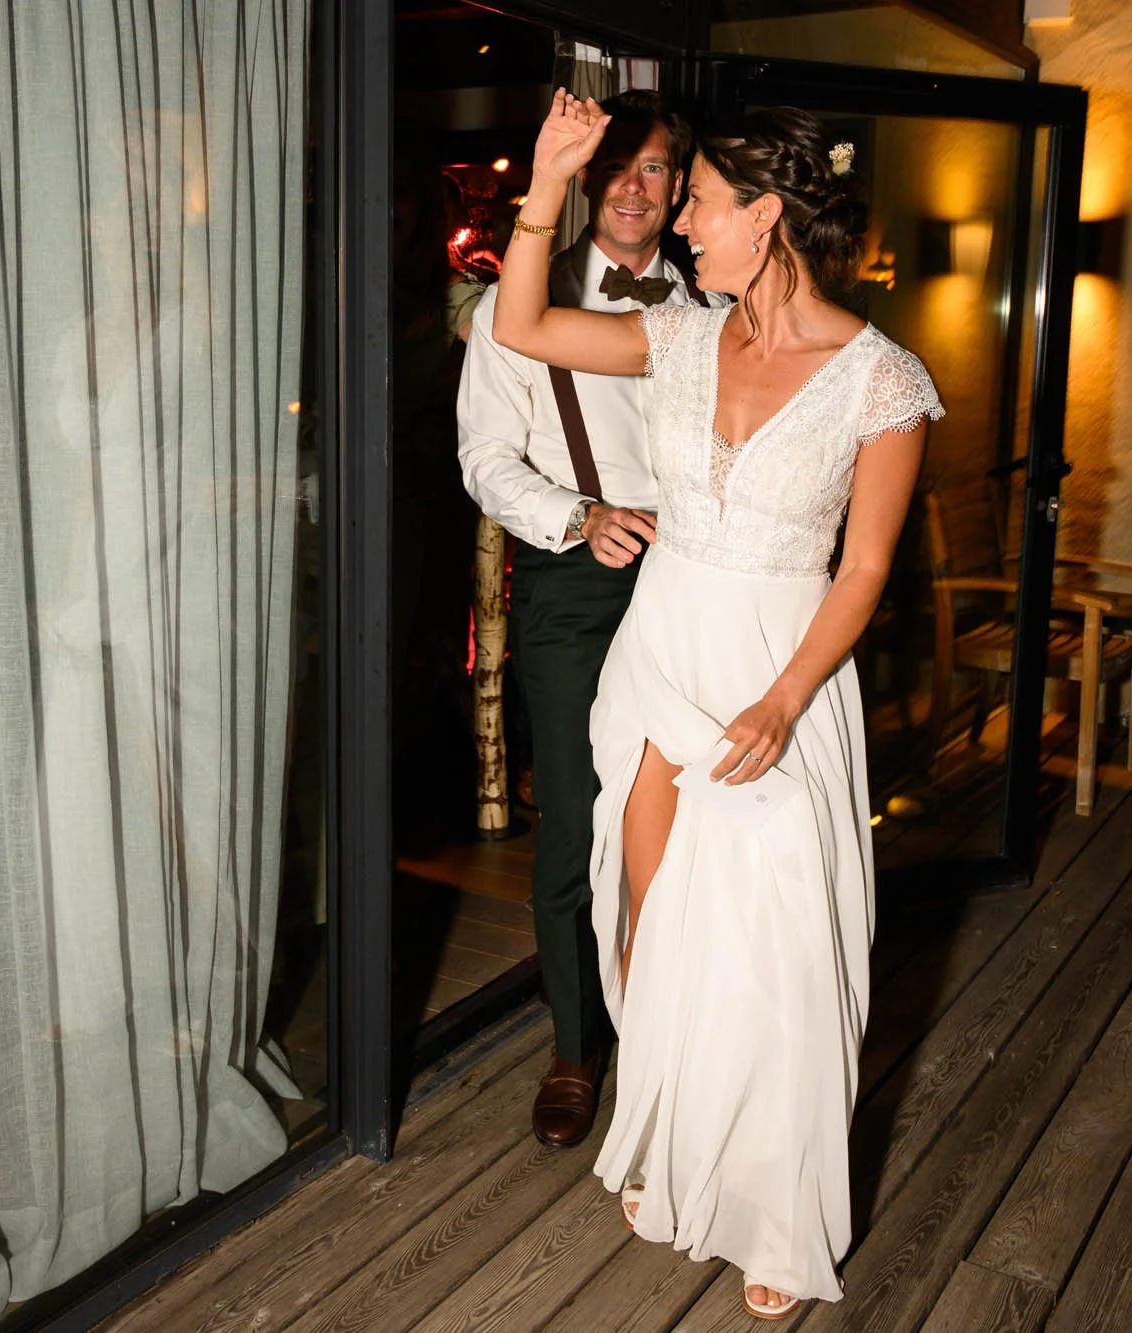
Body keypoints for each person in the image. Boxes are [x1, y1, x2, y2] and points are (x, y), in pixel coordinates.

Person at [492, 93, 942, 1319]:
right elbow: (522, 321)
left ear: (768, 215)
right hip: (663, 657)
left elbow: (861, 572)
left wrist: (786, 700)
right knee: (651, 929)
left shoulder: (881, 383)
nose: (679, 220)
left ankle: (775, 1217)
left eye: (698, 201)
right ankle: (675, 1144)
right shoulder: (680, 341)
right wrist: (545, 178)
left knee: (773, 956)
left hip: (777, 676)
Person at [457, 90, 712, 1150]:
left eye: (655, 169)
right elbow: (483, 460)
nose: (633, 188)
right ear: (584, 177)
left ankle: (675, 1026)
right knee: (575, 812)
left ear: (678, 189)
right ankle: (575, 1044)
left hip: (697, 581)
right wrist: (579, 516)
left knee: (690, 814)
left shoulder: (710, 307)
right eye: (615, 166)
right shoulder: (522, 304)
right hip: (577, 583)